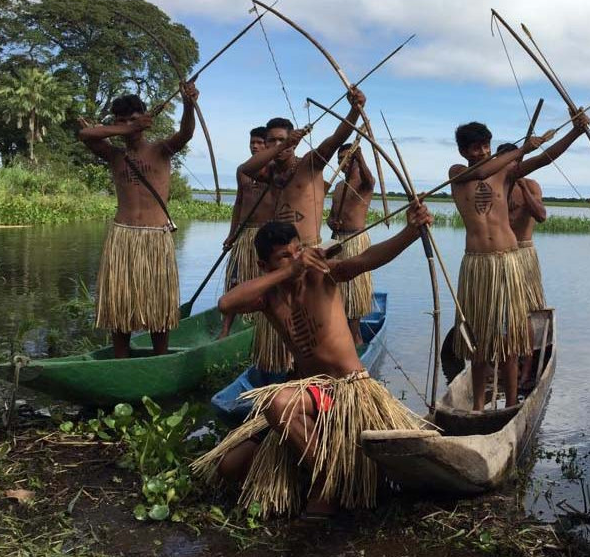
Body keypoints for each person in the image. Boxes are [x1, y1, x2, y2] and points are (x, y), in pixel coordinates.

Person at [193, 202, 431, 518]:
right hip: (305, 392)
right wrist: (287, 273)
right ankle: (303, 473)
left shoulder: (322, 276)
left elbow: (365, 260)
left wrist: (410, 232)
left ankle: (328, 480)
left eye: (297, 251)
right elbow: (227, 303)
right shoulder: (268, 297)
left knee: (278, 404)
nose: (296, 259)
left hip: (345, 390)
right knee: (229, 465)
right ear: (264, 265)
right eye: (284, 256)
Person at [449, 114, 589, 411]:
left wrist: (575, 133)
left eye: (484, 146)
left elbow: (545, 158)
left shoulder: (506, 174)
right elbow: (479, 172)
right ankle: (477, 407)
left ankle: (512, 405)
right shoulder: (458, 172)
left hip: (508, 262)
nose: (480, 152)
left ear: (489, 146)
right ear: (463, 151)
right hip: (477, 265)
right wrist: (522, 148)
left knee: (511, 339)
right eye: (473, 148)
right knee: (478, 343)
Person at [236, 90, 366, 372]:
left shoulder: (309, 163)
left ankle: (320, 371)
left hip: (308, 254)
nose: (278, 145)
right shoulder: (270, 172)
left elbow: (335, 140)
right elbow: (245, 169)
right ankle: (277, 371)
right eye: (272, 140)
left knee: (312, 325)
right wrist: (276, 150)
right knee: (283, 324)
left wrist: (354, 111)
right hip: (281, 259)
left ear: (294, 140)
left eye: (283, 139)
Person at [76, 83, 197, 358]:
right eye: (120, 121)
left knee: (159, 307)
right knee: (119, 305)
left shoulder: (161, 149)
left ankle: (160, 359)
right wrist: (128, 128)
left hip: (156, 237)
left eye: (133, 119)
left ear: (145, 119)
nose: (127, 125)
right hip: (123, 237)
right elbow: (84, 133)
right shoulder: (113, 154)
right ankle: (121, 361)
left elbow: (186, 133)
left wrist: (188, 104)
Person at [219, 126, 276, 342]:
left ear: (268, 145)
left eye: (259, 143)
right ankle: (225, 329)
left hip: (265, 235)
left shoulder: (274, 171)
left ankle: (259, 325)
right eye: (252, 142)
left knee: (261, 282)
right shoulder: (243, 171)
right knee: (234, 281)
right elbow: (239, 203)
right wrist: (232, 234)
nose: (255, 146)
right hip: (244, 235)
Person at [326, 143, 376, 346]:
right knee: (337, 290)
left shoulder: (364, 184)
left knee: (354, 293)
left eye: (347, 159)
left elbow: (370, 179)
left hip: (356, 241)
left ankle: (354, 339)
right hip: (338, 241)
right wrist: (332, 223)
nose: (342, 163)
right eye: (339, 160)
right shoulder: (338, 187)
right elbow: (330, 217)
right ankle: (343, 336)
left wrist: (360, 156)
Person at [496, 145, 548, 313]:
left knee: (527, 308)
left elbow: (541, 216)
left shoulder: (531, 186)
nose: (510, 166)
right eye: (505, 161)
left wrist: (523, 188)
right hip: (499, 253)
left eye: (514, 161)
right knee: (498, 305)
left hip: (524, 251)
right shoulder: (494, 187)